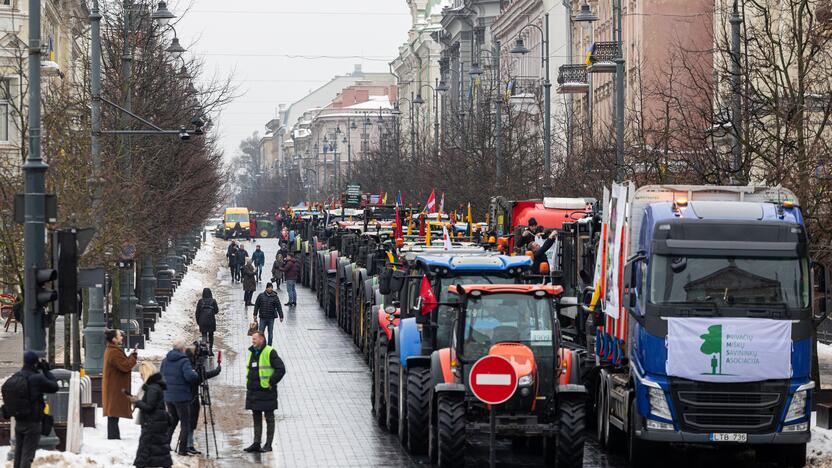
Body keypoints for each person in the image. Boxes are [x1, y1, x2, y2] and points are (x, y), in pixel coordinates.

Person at [4, 351, 58, 468]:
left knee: (19, 453)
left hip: (19, 421)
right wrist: (46, 370)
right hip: (33, 423)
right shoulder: (37, 378)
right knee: (27, 455)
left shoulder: (17, 376)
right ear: (35, 363)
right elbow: (54, 386)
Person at [244, 331, 286, 453]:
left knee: (269, 418)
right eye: (252, 339)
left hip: (267, 391)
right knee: (256, 417)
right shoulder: (253, 351)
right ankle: (256, 443)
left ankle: (268, 444)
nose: (253, 341)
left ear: (262, 339)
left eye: (255, 339)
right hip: (254, 391)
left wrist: (271, 382)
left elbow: (281, 369)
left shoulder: (269, 351)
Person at [160, 340, 200, 456]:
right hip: (181, 397)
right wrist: (195, 374)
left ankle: (166, 444)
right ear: (183, 349)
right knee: (185, 423)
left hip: (169, 396)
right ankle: (182, 449)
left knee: (172, 421)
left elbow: (161, 375)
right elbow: (190, 377)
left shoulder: (165, 360)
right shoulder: (184, 361)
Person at [131, 361, 172, 468]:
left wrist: (137, 402)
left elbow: (149, 407)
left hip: (152, 424)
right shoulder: (156, 385)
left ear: (145, 373)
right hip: (157, 423)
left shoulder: (152, 387)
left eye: (141, 373)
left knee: (145, 450)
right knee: (159, 450)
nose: (140, 376)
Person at [184, 345, 221, 455]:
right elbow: (197, 377)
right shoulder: (188, 364)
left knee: (191, 420)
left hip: (190, 395)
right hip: (190, 396)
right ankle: (188, 445)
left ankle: (188, 444)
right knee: (190, 420)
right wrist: (215, 371)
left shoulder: (189, 362)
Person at [103, 329, 138, 440]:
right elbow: (125, 366)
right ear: (114, 339)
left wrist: (132, 355)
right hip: (114, 387)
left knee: (113, 414)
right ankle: (113, 438)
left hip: (113, 387)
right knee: (113, 414)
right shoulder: (113, 352)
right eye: (120, 336)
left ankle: (113, 436)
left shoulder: (113, 350)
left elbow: (123, 363)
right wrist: (134, 356)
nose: (122, 337)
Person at [195, 288, 219, 354]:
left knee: (204, 335)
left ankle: (204, 349)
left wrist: (198, 322)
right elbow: (217, 311)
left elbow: (197, 312)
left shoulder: (200, 301)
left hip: (202, 321)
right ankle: (210, 350)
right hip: (211, 321)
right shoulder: (213, 301)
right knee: (211, 335)